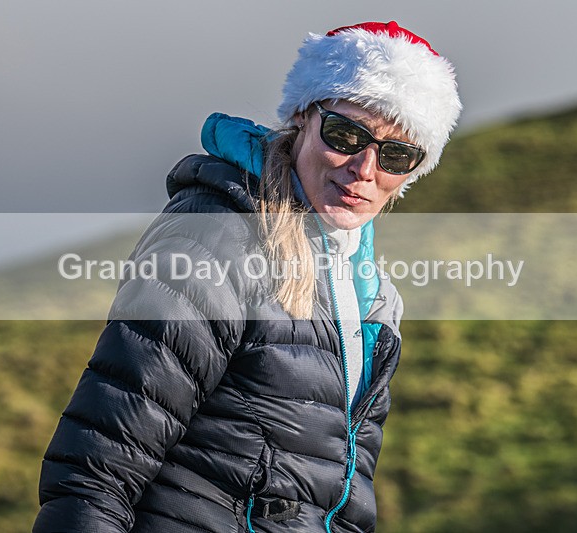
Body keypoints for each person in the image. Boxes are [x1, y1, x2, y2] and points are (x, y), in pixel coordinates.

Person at [33, 20, 461, 532]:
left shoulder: (373, 302)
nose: (365, 169)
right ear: (303, 116)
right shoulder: (218, 239)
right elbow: (96, 470)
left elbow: (341, 506)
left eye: (396, 155)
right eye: (346, 134)